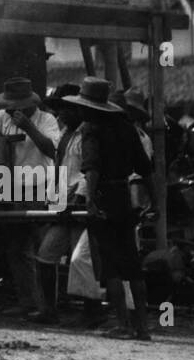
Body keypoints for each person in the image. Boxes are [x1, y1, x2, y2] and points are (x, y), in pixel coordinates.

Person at [65, 76, 156, 340]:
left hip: (104, 197)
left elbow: (92, 170)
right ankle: (143, 327)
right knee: (133, 264)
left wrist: (91, 201)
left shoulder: (91, 129)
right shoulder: (127, 128)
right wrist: (153, 201)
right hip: (124, 197)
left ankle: (123, 325)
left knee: (111, 267)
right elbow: (146, 169)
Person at [0, 77, 62, 323]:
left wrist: (29, 128)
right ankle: (28, 303)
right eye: (11, 107)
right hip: (15, 190)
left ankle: (48, 306)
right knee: (17, 249)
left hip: (41, 188)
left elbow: (53, 149)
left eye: (18, 106)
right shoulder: (3, 118)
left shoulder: (47, 120)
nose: (14, 111)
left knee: (43, 249)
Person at [36, 85, 102, 327]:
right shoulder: (66, 134)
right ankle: (49, 310)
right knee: (46, 255)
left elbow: (89, 170)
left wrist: (81, 197)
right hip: (63, 204)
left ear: (76, 109)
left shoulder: (87, 135)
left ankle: (92, 311)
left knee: (81, 260)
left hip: (78, 204)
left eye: (63, 109)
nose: (59, 114)